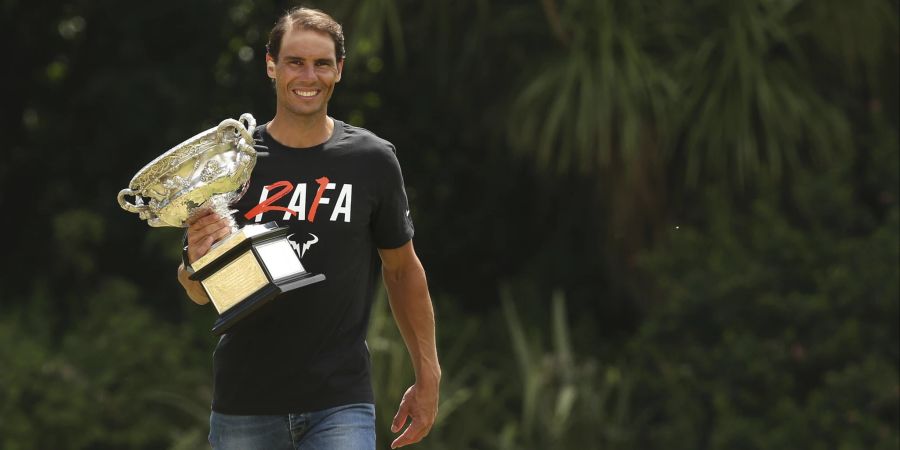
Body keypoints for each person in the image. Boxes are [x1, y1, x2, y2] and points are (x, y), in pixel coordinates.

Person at [176, 7, 440, 449]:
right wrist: (193, 265)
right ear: (271, 66)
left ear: (339, 70)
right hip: (244, 403)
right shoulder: (232, 167)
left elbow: (402, 270)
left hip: (340, 402)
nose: (308, 75)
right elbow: (200, 290)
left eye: (321, 64)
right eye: (295, 61)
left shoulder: (371, 160)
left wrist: (428, 375)